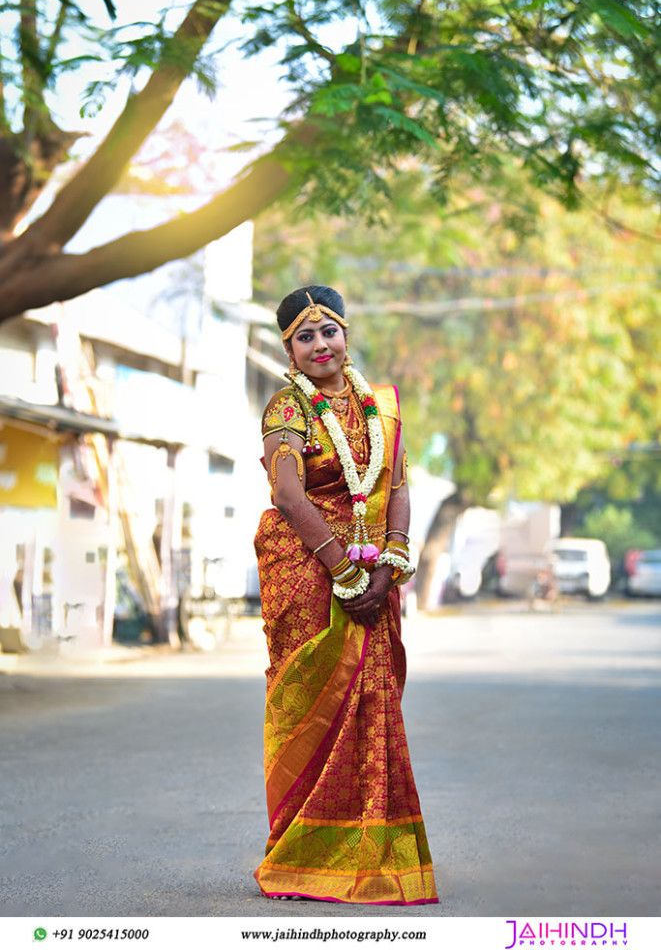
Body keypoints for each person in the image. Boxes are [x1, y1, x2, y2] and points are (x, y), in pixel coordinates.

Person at [253, 285, 438, 906]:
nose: (320, 345)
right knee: (310, 703)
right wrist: (341, 569)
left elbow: (399, 484)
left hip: (375, 571)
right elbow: (288, 495)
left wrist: (392, 557)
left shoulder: (380, 406)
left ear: (346, 334)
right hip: (308, 576)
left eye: (327, 331)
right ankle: (302, 853)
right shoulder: (287, 408)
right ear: (290, 349)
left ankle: (370, 849)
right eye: (305, 337)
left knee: (371, 707)